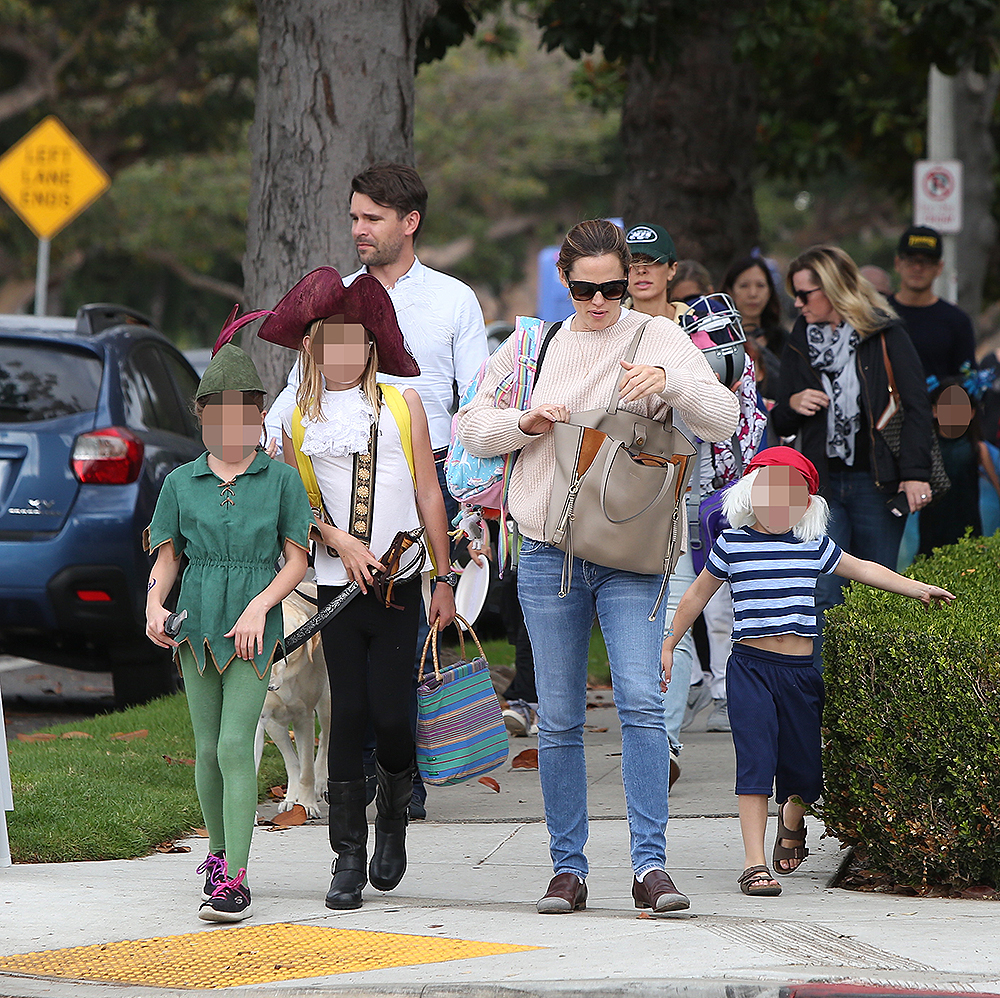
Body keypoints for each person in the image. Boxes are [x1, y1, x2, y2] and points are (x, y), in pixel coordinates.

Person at [457, 219, 739, 915]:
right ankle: (567, 869)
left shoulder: (657, 336)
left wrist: (671, 382)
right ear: (565, 282)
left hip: (632, 553)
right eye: (586, 289)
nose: (602, 303)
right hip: (549, 553)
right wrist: (527, 422)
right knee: (557, 718)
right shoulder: (533, 344)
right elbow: (469, 427)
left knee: (642, 703)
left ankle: (651, 868)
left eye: (614, 286)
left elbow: (725, 419)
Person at [265, 163, 488, 819]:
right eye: (354, 217)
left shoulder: (454, 300)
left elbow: (476, 398)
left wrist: (467, 498)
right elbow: (294, 397)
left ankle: (400, 778)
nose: (358, 229)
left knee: (412, 635)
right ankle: (354, 785)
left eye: (372, 218)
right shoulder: (338, 302)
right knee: (349, 640)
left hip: (429, 477)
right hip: (338, 486)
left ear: (409, 221)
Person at [661, 447, 955, 897]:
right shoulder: (732, 543)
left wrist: (915, 588)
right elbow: (695, 596)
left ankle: (791, 820)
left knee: (803, 770)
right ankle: (754, 864)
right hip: (751, 669)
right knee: (755, 763)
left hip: (799, 672)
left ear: (806, 505)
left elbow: (863, 568)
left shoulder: (812, 544)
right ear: (750, 495)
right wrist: (668, 642)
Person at [257, 267, 455, 911]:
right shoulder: (297, 419)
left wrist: (444, 577)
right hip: (335, 590)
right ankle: (346, 856)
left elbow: (429, 490)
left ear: (371, 347)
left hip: (399, 584)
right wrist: (337, 541)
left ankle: (393, 816)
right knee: (347, 716)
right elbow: (295, 510)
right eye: (328, 340)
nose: (341, 352)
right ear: (311, 347)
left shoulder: (403, 404)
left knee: (394, 717)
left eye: (354, 340)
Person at [145, 323, 313, 923]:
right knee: (205, 747)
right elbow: (168, 560)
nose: (233, 426)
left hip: (251, 627)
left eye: (245, 414)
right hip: (195, 629)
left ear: (260, 417)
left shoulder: (281, 480)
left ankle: (235, 879)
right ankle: (216, 858)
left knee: (235, 743)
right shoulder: (179, 483)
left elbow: (296, 560)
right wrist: (152, 607)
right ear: (203, 417)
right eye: (220, 414)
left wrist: (259, 607)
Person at [770, 245, 934, 668]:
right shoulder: (801, 337)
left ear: (834, 289)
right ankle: (827, 701)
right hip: (821, 484)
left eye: (805, 294)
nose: (797, 303)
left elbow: (916, 405)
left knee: (877, 587)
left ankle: (873, 699)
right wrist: (795, 401)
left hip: (875, 480)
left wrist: (915, 474)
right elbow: (783, 412)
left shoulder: (884, 334)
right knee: (822, 588)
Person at [919, 380, 1000, 554]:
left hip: (967, 520)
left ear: (971, 413)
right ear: (934, 411)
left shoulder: (978, 448)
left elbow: (997, 486)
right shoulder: (926, 446)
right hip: (932, 522)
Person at [889, 225, 977, 383]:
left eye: (927, 261)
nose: (917, 268)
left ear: (939, 268)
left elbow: (968, 380)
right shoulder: (879, 314)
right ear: (897, 263)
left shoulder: (957, 321)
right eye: (910, 260)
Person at [721, 255, 785, 401]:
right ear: (729, 291)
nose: (753, 294)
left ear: (770, 290)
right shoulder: (719, 339)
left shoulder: (785, 340)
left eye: (760, 285)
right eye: (744, 286)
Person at [624, 223, 686, 322]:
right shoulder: (606, 326)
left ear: (672, 269)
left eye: (651, 261)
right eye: (632, 262)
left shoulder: (702, 326)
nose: (641, 270)